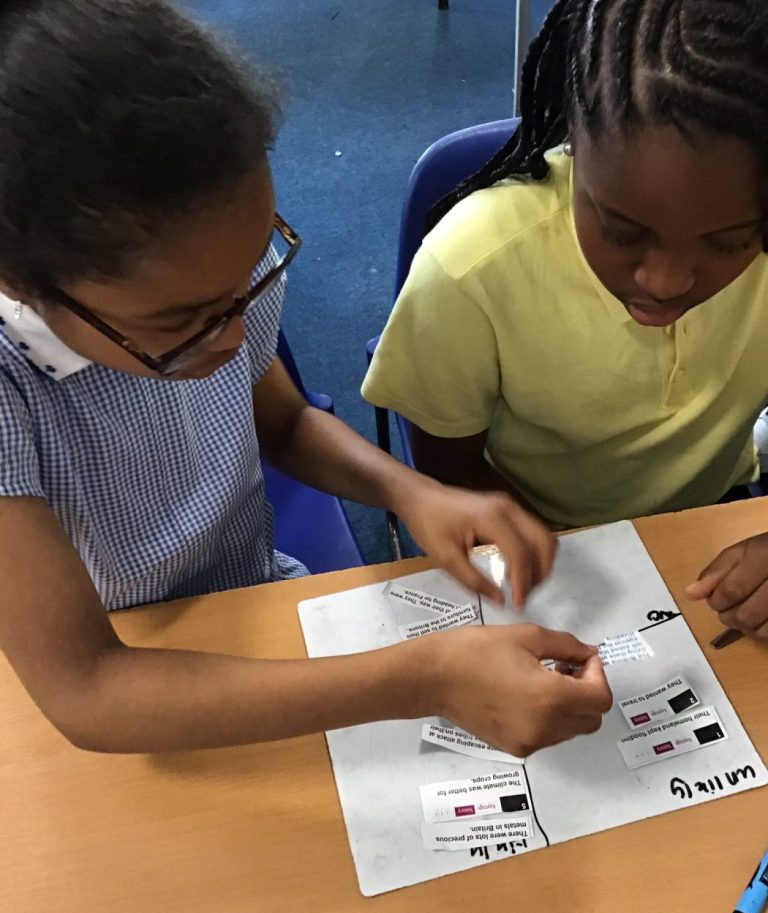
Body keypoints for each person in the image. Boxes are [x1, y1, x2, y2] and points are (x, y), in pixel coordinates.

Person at [0, 0, 611, 757]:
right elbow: (87, 689)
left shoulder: (208, 269)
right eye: (182, 324)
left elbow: (283, 422)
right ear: (21, 283)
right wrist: (426, 680)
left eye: (247, 283)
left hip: (254, 603)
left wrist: (412, 492)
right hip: (127, 676)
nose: (233, 338)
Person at [362, 0, 768, 638]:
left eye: (728, 243)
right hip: (543, 547)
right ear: (572, 138)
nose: (664, 283)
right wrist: (565, 558)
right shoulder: (470, 268)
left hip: (714, 525)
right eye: (623, 231)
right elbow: (450, 468)